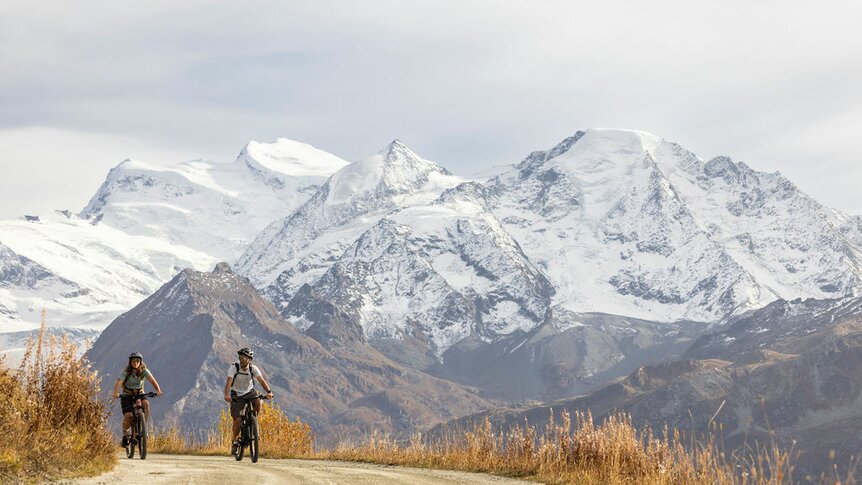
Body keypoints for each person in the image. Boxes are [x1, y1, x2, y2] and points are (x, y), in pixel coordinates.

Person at [224, 347, 273, 454]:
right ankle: (235, 441)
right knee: (237, 421)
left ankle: (253, 420)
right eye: (240, 357)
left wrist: (269, 391)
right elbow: (229, 382)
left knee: (259, 400)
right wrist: (227, 395)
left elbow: (261, 381)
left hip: (249, 392)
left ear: (249, 359)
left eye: (244, 358)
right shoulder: (234, 368)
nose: (242, 360)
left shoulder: (253, 369)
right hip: (237, 394)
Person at [112, 352, 163, 446]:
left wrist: (158, 390)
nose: (135, 363)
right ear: (130, 362)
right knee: (128, 416)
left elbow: (152, 380)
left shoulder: (144, 370)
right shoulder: (126, 371)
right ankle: (125, 434)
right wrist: (116, 392)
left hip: (139, 393)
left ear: (140, 362)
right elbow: (119, 382)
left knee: (146, 404)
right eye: (133, 361)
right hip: (127, 395)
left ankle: (143, 427)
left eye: (137, 361)